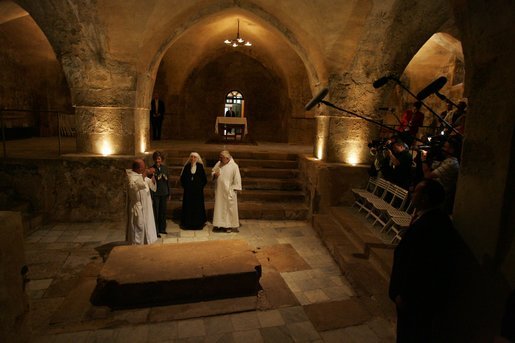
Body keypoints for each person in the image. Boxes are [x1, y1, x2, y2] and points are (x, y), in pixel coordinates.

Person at [389, 179, 457, 342]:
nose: (412, 192)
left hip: (415, 298)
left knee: (410, 333)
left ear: (425, 198)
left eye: (416, 191)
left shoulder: (428, 225)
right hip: (418, 297)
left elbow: (418, 265)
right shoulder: (431, 218)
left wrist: (403, 294)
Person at [421, 136, 461, 214]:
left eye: (445, 147)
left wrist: (424, 160)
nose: (442, 148)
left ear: (452, 150)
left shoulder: (452, 163)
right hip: (437, 194)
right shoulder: (446, 160)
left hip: (442, 197)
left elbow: (427, 175)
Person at [126, 159, 158, 245]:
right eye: (144, 167)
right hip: (138, 207)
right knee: (138, 228)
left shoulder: (140, 175)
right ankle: (137, 247)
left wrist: (152, 180)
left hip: (146, 207)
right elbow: (134, 187)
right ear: (139, 168)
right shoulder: (131, 176)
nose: (145, 168)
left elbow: (150, 183)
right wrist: (145, 174)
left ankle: (146, 242)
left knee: (146, 226)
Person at [212, 150, 242, 233]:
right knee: (219, 208)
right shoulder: (219, 163)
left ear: (227, 158)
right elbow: (213, 171)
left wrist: (233, 189)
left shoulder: (234, 166)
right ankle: (219, 224)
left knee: (229, 210)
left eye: (222, 158)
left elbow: (237, 179)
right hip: (220, 191)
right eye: (220, 157)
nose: (220, 159)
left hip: (229, 191)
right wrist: (215, 175)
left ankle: (228, 226)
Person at [180, 152, 207, 230]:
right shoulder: (187, 167)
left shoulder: (200, 167)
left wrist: (199, 187)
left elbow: (204, 180)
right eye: (191, 157)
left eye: (194, 157)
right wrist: (186, 186)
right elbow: (182, 179)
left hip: (198, 193)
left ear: (197, 158)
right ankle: (187, 224)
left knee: (197, 208)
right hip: (188, 193)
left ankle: (198, 224)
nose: (192, 159)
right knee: (188, 207)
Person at [150, 151, 170, 237]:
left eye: (159, 159)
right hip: (156, 193)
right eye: (156, 159)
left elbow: (168, 181)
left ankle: (162, 228)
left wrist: (169, 193)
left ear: (161, 159)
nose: (158, 160)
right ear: (154, 159)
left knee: (163, 212)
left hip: (164, 192)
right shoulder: (152, 169)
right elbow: (150, 182)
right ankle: (156, 230)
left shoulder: (165, 168)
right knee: (156, 212)